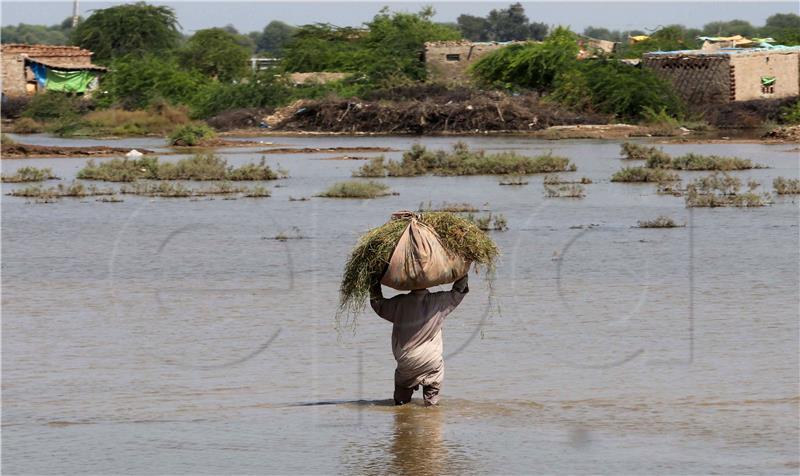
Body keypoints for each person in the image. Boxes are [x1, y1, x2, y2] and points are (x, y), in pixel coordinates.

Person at [370, 274, 469, 406]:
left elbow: (377, 303)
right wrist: (463, 271)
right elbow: (459, 291)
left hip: (407, 362)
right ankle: (430, 415)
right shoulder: (440, 301)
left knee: (400, 403)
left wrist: (373, 281)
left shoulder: (399, 303)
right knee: (432, 406)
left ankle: (403, 418)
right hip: (431, 362)